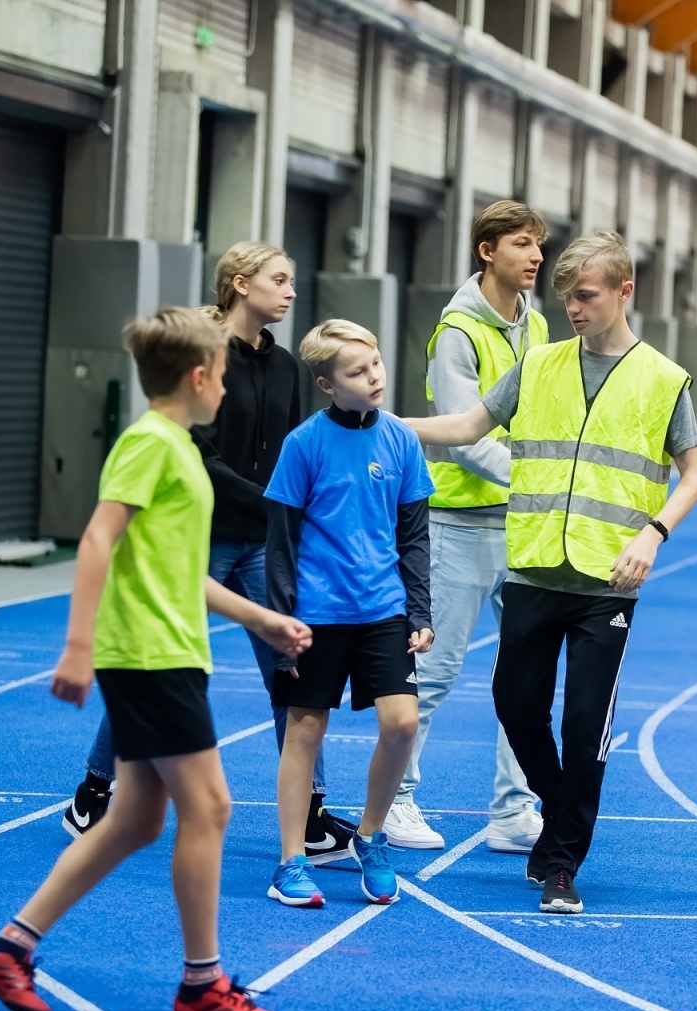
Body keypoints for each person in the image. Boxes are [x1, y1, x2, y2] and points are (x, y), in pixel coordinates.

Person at [0, 307, 309, 1011]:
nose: (231, 392)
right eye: (225, 377)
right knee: (209, 807)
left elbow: (180, 568)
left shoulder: (179, 447)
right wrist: (78, 647)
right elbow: (97, 538)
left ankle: (8, 948)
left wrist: (260, 617)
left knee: (138, 819)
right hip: (146, 653)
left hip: (175, 646)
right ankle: (203, 984)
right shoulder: (150, 443)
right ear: (201, 376)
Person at [405, 231, 697, 915]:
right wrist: (387, 422)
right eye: (567, 295)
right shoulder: (539, 365)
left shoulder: (662, 379)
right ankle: (562, 807)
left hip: (608, 583)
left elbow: (694, 476)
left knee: (583, 726)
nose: (572, 306)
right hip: (537, 566)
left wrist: (654, 535)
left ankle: (562, 862)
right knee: (514, 703)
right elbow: (467, 426)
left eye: (586, 295)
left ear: (624, 291)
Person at [62, 244, 354, 864]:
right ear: (241, 285)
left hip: (264, 540)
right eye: (280, 280)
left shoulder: (284, 367)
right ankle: (94, 786)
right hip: (206, 537)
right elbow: (202, 455)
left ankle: (311, 809)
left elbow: (297, 448)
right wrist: (276, 501)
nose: (291, 292)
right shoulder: (200, 359)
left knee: (290, 662)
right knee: (158, 664)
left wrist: (300, 509)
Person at [393, 200, 549, 853]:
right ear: (487, 251)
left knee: (529, 671)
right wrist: (532, 481)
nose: (536, 255)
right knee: (434, 671)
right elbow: (460, 436)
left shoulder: (538, 326)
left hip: (526, 526)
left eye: (539, 244)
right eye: (521, 243)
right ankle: (395, 799)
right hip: (460, 521)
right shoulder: (457, 331)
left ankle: (513, 810)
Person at [263, 319, 434, 908]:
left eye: (377, 364)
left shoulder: (401, 441)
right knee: (305, 730)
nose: (374, 377)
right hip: (316, 613)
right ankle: (290, 861)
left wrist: (420, 610)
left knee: (402, 723)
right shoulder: (304, 444)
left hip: (383, 609)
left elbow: (414, 537)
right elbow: (280, 544)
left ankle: (371, 835)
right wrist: (282, 623)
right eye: (357, 372)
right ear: (326, 383)